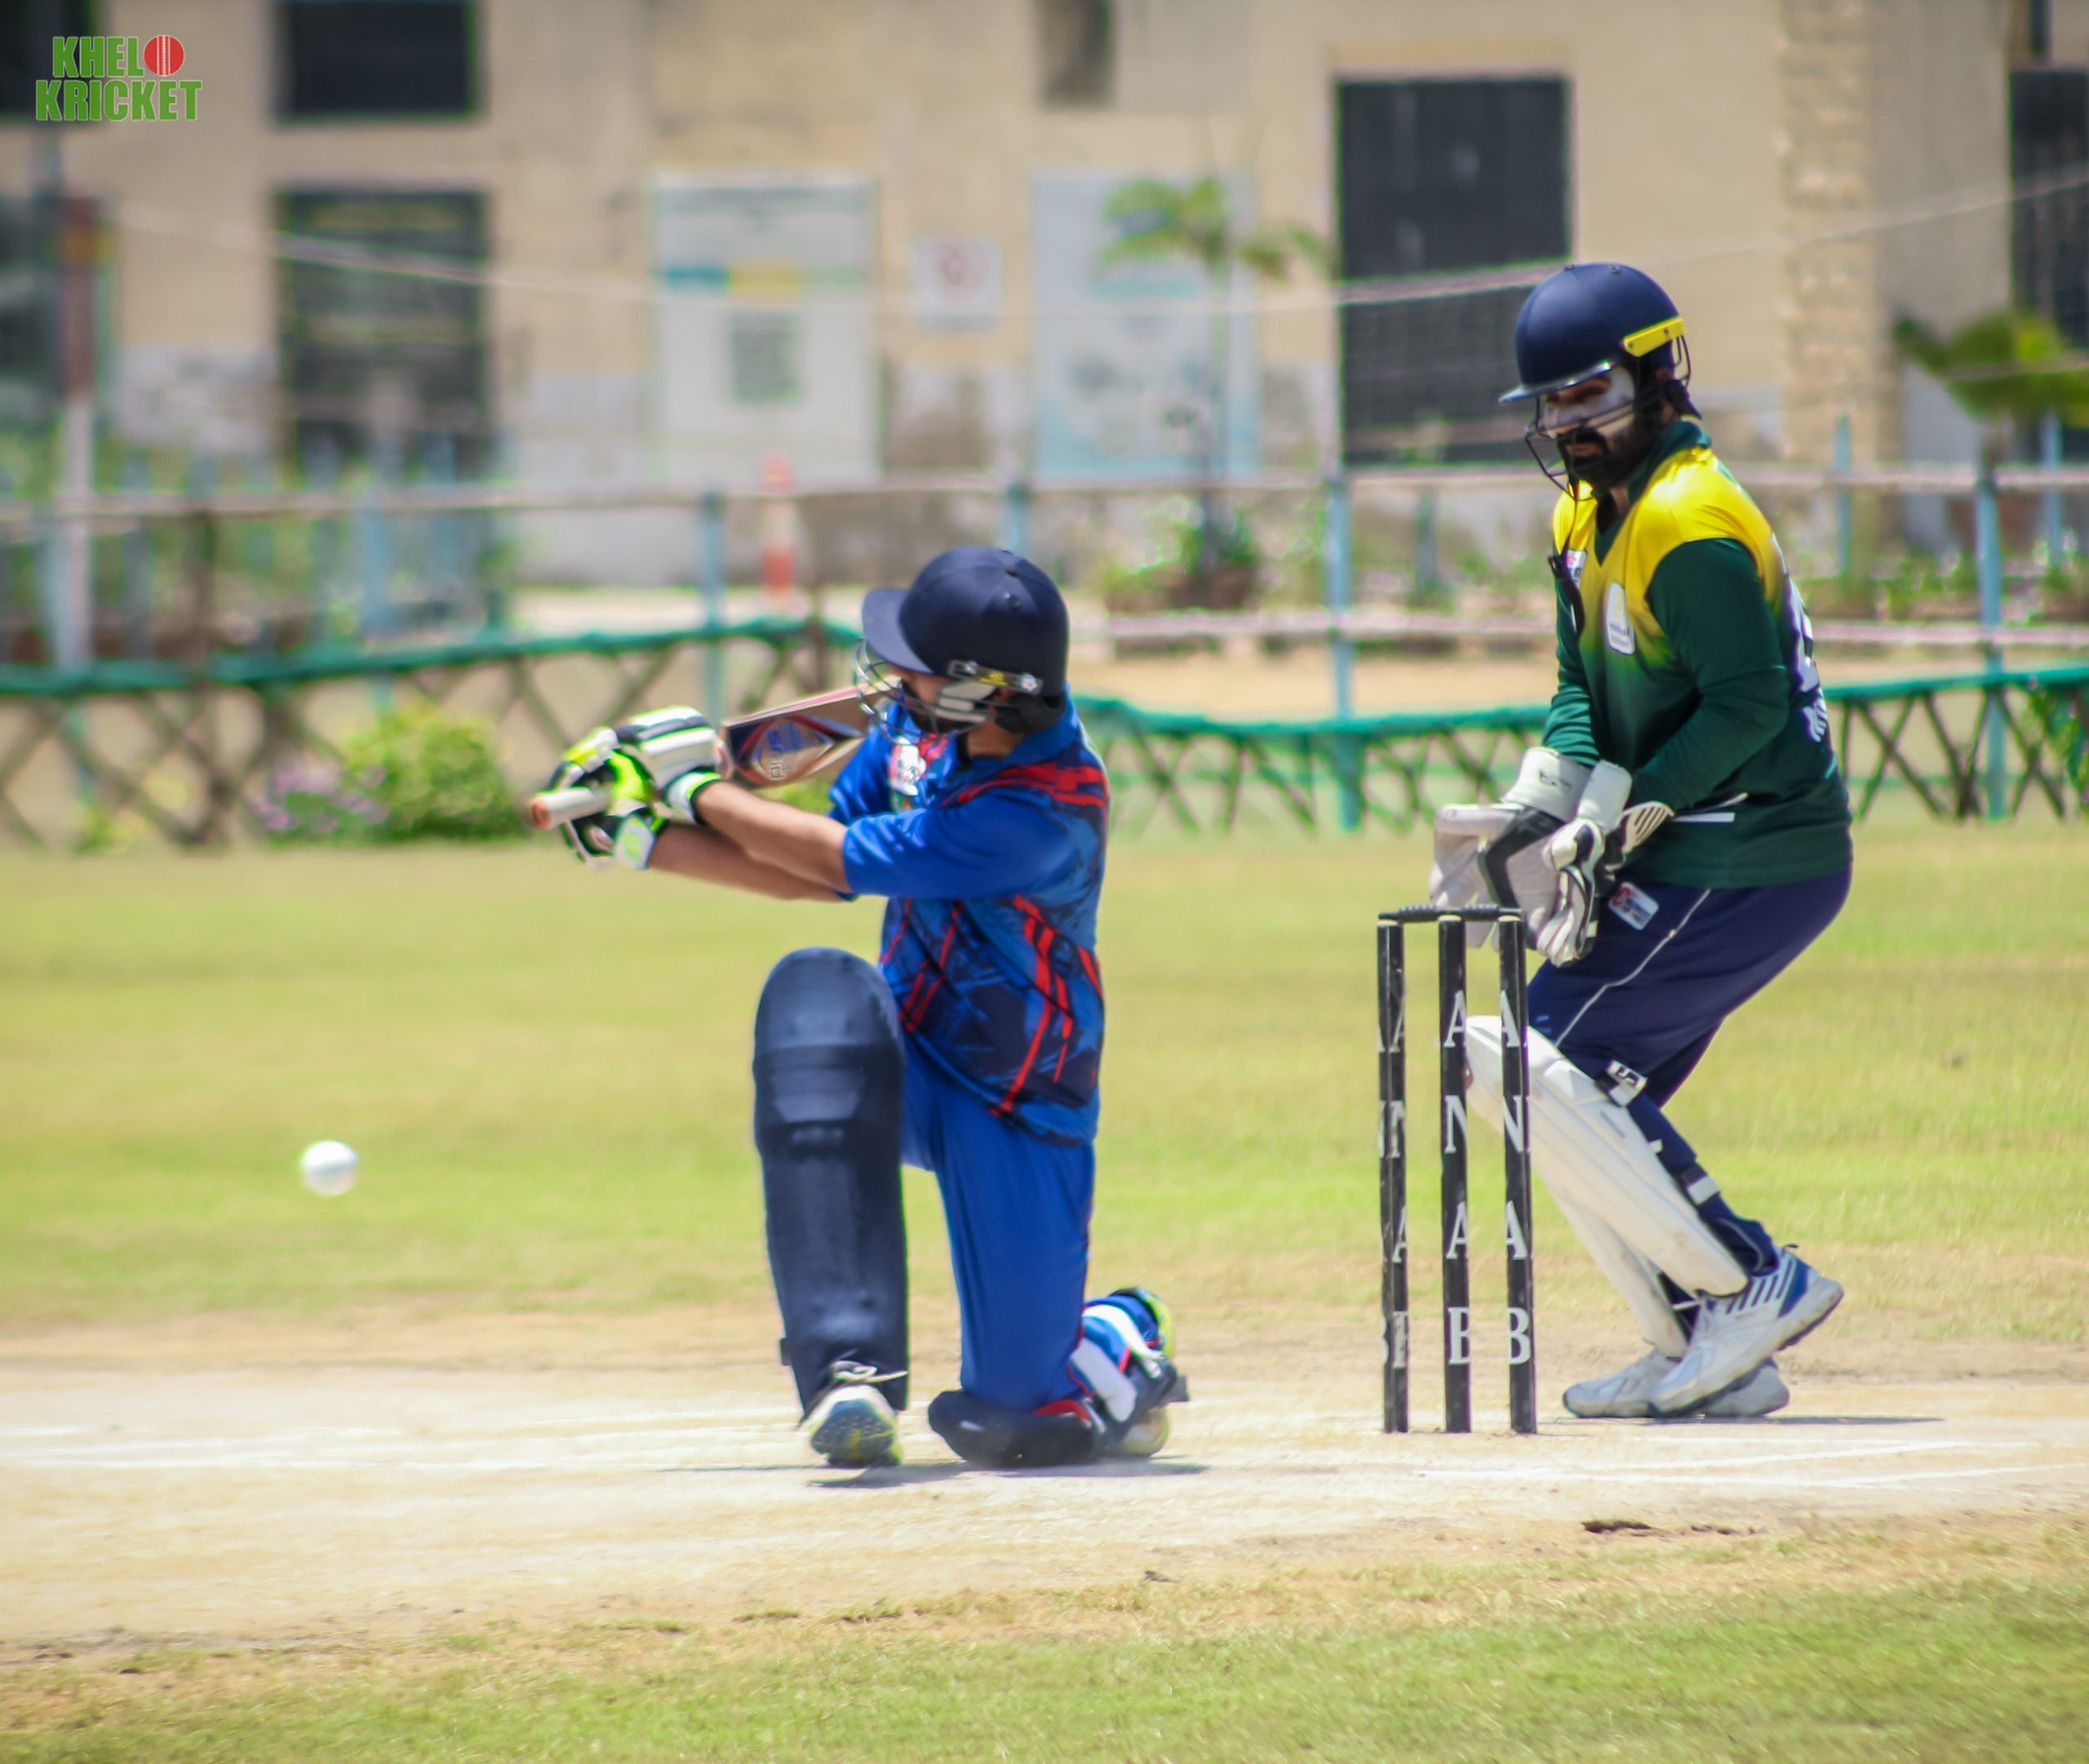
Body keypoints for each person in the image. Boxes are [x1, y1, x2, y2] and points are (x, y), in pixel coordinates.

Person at [542, 547, 1184, 1469]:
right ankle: (849, 1367)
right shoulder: (931, 728)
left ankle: (1112, 1336)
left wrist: (692, 794)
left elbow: (834, 857)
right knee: (816, 991)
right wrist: (645, 832)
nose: (888, 676)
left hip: (1017, 1099)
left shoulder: (1040, 812)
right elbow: (814, 868)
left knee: (1018, 1424)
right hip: (909, 1055)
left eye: (912, 665)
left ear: (978, 692)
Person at [1435, 263, 1853, 1419]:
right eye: (1551, 403)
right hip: (1679, 846)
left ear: (1658, 374)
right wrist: (1543, 801)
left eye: (1589, 394)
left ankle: (1757, 1278)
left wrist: (1618, 819)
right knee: (1568, 1102)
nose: (1568, 424)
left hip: (1756, 848)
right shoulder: (1583, 515)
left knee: (1544, 1055)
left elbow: (1749, 707)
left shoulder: (1687, 519)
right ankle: (1696, 1340)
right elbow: (1580, 688)